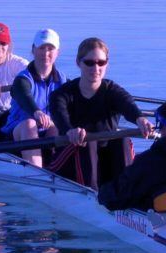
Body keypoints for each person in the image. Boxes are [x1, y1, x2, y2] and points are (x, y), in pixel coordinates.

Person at [48, 37, 153, 189]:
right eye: (89, 63)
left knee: (123, 140)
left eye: (101, 63)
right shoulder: (62, 94)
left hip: (105, 160)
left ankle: (126, 192)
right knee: (88, 142)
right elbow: (59, 114)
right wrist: (70, 130)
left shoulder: (112, 90)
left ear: (107, 64)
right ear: (78, 63)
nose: (95, 68)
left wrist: (140, 119)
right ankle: (91, 194)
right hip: (71, 158)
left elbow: (127, 104)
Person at [2, 28, 66, 166]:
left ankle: (57, 168)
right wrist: (36, 112)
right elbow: (24, 95)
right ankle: (37, 175)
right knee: (30, 124)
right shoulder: (22, 79)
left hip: (45, 133)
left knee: (56, 127)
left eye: (50, 48)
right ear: (33, 50)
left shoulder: (61, 80)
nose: (46, 53)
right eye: (42, 48)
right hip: (16, 135)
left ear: (57, 52)